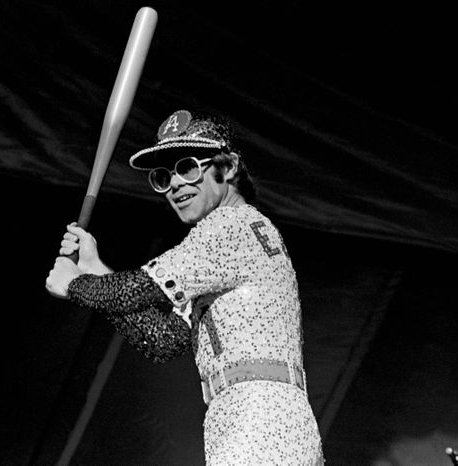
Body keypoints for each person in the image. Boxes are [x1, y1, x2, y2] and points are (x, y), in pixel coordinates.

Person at [46, 109, 324, 465]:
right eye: (163, 176)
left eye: (188, 167)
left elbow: (138, 289)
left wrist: (75, 284)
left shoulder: (228, 226)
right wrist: (95, 270)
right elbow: (163, 338)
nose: (175, 183)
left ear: (230, 167)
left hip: (259, 416)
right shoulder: (229, 245)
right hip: (255, 415)